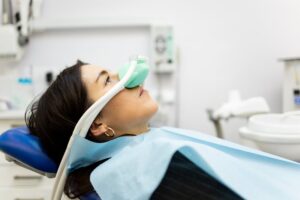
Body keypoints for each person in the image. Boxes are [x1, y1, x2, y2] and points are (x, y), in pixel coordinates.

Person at [25, 60, 299, 200]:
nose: (130, 77)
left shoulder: (151, 148)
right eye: (108, 80)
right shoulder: (150, 168)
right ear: (97, 124)